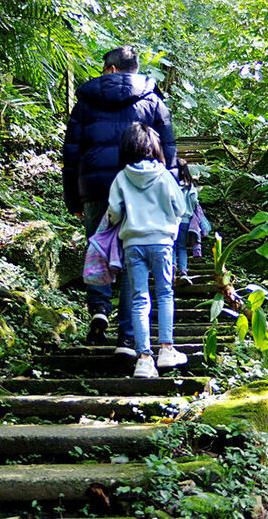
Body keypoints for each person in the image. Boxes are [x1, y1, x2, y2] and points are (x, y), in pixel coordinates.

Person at [63, 45, 177, 354]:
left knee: (99, 245)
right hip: (138, 189)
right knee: (131, 260)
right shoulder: (153, 100)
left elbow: (71, 153)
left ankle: (99, 306)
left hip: (95, 186)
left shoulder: (86, 101)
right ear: (134, 69)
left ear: (111, 69)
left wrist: (72, 196)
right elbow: (168, 149)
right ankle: (127, 337)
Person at [106, 123, 187, 378]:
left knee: (140, 298)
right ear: (154, 147)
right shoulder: (164, 175)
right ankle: (166, 349)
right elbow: (180, 208)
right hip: (161, 242)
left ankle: (143, 359)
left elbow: (114, 212)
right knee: (164, 294)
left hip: (132, 244)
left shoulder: (121, 177)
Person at [174, 158, 202, 283]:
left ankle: (172, 266)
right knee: (182, 247)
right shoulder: (190, 186)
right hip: (186, 220)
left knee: (172, 246)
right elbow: (195, 201)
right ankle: (183, 271)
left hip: (173, 219)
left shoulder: (172, 184)